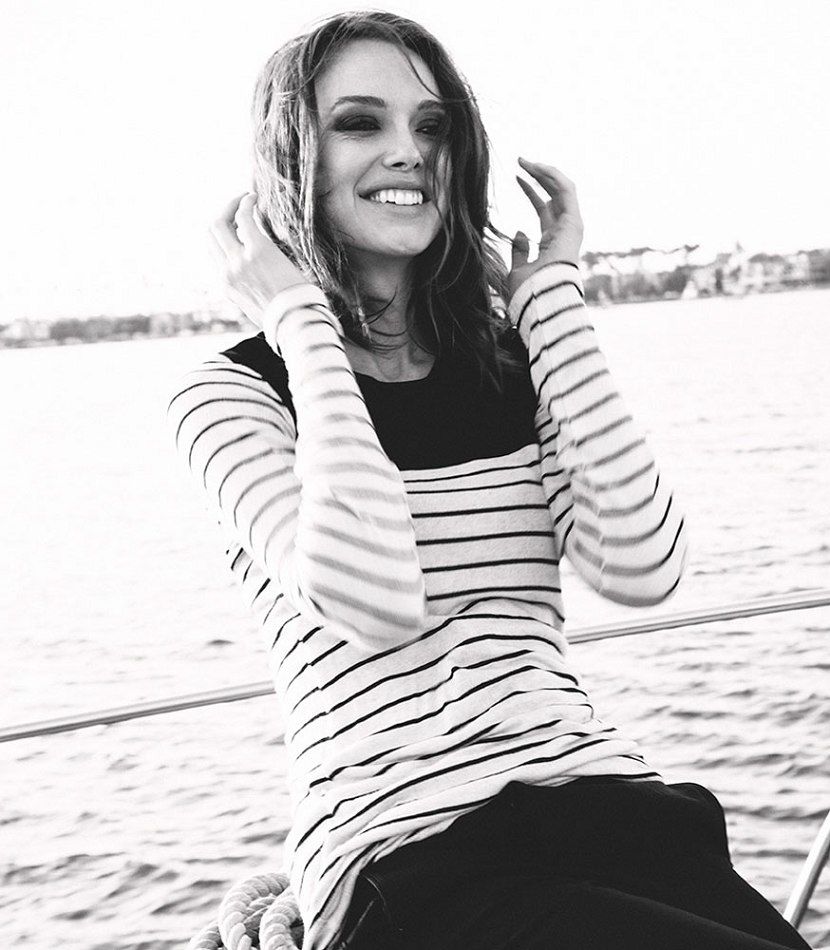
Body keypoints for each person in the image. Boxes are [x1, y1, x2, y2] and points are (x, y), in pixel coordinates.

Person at [168, 11, 812, 950]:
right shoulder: (233, 396)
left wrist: (549, 303)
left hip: (607, 808)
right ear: (292, 157)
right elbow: (375, 601)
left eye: (433, 126)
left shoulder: (511, 364)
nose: (409, 151)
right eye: (360, 123)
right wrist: (301, 321)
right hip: (409, 858)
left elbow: (645, 567)